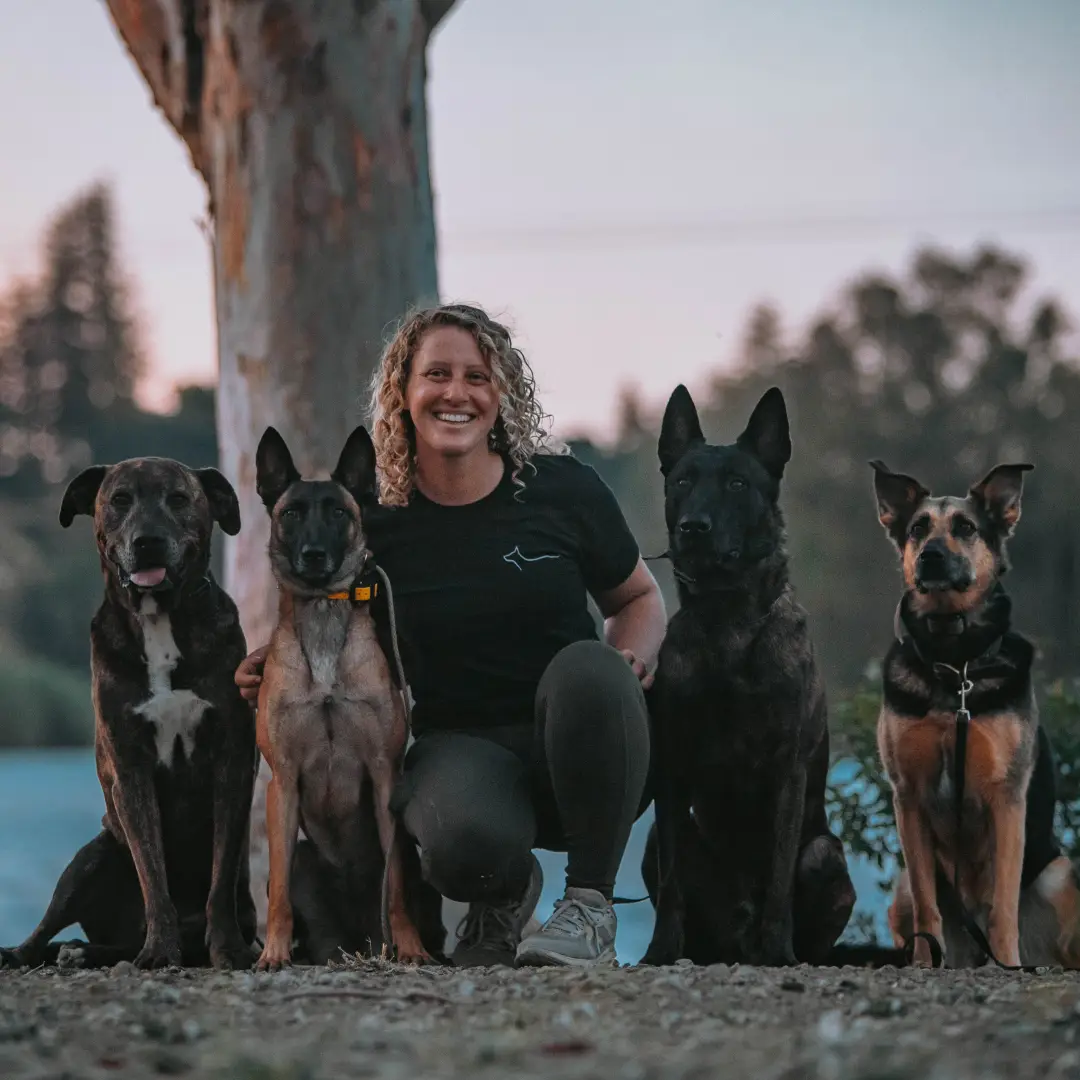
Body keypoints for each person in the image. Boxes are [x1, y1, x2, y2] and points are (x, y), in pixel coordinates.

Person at [236, 302, 665, 968]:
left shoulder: (562, 490)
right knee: (460, 839)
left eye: (477, 376)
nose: (456, 392)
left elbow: (638, 596)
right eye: (436, 374)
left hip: (577, 740)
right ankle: (502, 893)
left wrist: (629, 659)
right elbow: (336, 604)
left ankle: (587, 907)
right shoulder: (373, 518)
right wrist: (276, 662)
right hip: (459, 747)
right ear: (402, 395)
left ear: (503, 395)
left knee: (592, 668)